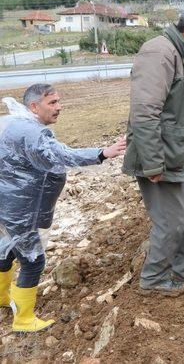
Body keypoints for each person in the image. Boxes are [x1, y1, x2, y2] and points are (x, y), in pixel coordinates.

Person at [0, 85, 125, 332]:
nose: (59, 107)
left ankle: (2, 296)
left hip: (9, 205)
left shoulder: (12, 123)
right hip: (25, 209)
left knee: (7, 250)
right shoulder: (33, 134)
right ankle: (23, 319)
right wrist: (102, 152)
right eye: (53, 103)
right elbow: (63, 155)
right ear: (34, 106)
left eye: (59, 102)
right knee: (33, 261)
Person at [123, 5, 184, 296]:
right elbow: (144, 113)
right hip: (158, 158)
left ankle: (183, 273)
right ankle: (153, 279)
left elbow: (182, 115)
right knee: (170, 221)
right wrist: (152, 164)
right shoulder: (159, 53)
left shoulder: (181, 55)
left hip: (172, 155)